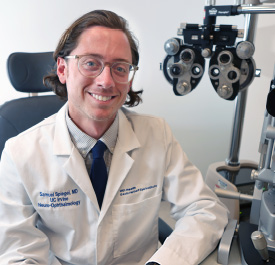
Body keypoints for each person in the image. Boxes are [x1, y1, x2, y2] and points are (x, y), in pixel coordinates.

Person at [0, 10, 229, 265]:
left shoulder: (157, 134)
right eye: (90, 63)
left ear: (129, 79)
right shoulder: (18, 153)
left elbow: (205, 210)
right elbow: (18, 254)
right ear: (63, 69)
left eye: (120, 68)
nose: (106, 81)